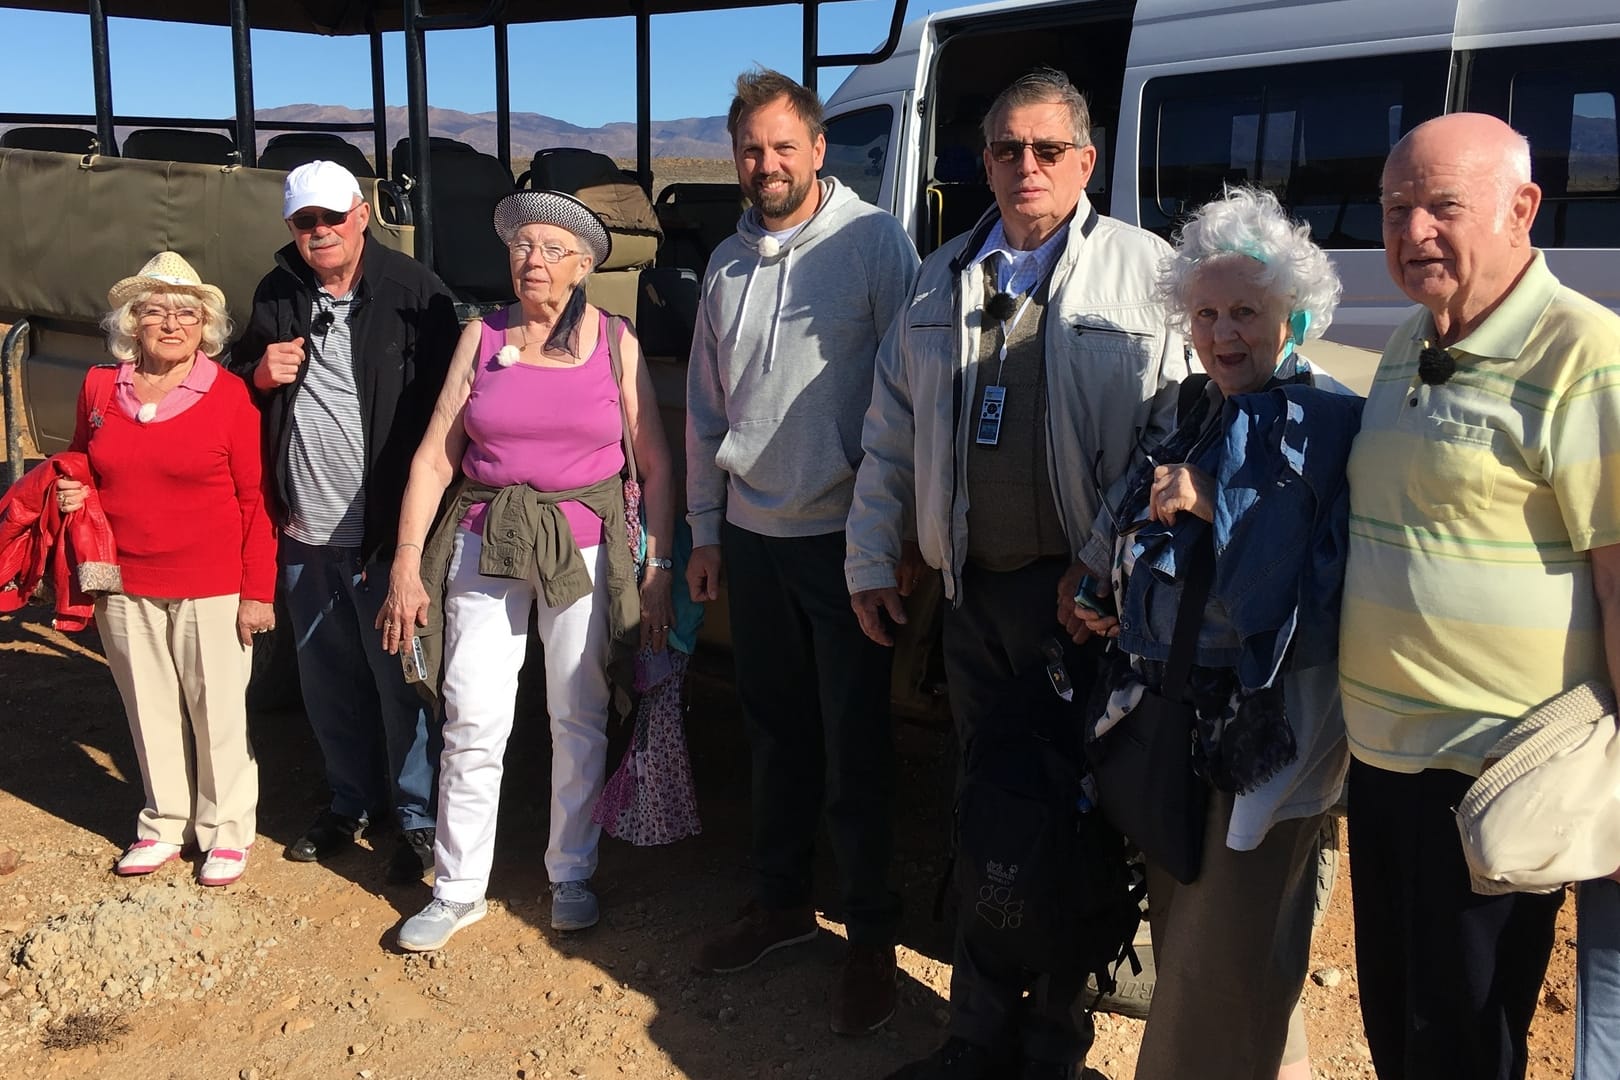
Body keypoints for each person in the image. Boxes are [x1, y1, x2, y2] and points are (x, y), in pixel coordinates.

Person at [846, 68, 1188, 1079]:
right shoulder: (939, 277)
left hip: (1087, 606)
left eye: (1048, 149)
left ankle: (1055, 1043)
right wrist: (873, 554)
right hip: (975, 601)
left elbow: (1172, 442)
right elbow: (890, 433)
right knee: (985, 808)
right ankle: (974, 1032)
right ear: (983, 160)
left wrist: (1107, 567)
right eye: (1006, 148)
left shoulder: (1149, 274)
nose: (1025, 166)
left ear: (1086, 160)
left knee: (1076, 822)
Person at [1340, 112, 1620, 1080]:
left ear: (1522, 208)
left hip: (1493, 776)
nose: (1413, 233)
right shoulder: (1408, 345)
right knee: (1395, 1024)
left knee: (1469, 1042)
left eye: (1441, 207)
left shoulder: (1588, 354)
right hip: (1380, 766)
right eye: (1394, 209)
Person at [1075, 187, 1356, 1080]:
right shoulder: (1189, 406)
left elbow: (1262, 596)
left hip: (1263, 741)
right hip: (1174, 721)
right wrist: (1103, 586)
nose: (1224, 331)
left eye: (1248, 311)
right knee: (1214, 944)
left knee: (1212, 965)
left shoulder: (1316, 419)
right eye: (1206, 312)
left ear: (1295, 314)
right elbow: (1131, 525)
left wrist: (1210, 500)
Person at [683, 67, 919, 1035]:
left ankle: (869, 939)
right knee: (775, 733)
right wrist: (703, 533)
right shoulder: (726, 268)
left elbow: (911, 393)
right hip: (752, 538)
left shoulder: (872, 244)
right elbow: (704, 411)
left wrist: (893, 532)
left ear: (820, 149)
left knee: (856, 743)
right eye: (751, 148)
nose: (766, 163)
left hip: (842, 542)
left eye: (784, 146)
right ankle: (782, 904)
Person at [376, 189, 674, 949]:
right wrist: (408, 563)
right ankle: (457, 887)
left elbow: (657, 465)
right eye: (521, 247)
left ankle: (570, 871)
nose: (530, 260)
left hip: (582, 549)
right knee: (472, 711)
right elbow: (436, 454)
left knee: (577, 709)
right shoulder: (481, 338)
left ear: (582, 266)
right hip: (486, 538)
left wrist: (659, 565)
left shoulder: (615, 341)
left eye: (549, 249)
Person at [229, 160, 459, 882]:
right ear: (292, 229)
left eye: (332, 217)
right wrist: (260, 374)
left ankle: (418, 818)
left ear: (363, 214)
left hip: (386, 535)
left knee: (404, 683)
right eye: (306, 222)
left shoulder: (416, 293)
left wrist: (418, 542)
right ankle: (351, 803)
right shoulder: (279, 291)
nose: (320, 232)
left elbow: (451, 416)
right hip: (306, 531)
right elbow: (238, 382)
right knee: (327, 680)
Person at [56, 251, 276, 887]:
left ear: (205, 326)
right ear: (133, 321)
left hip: (212, 584)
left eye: (187, 313)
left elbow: (254, 499)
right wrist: (76, 488)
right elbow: (80, 458)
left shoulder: (229, 394)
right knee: (147, 710)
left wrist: (256, 592)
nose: (172, 324)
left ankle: (226, 832)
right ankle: (162, 824)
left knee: (218, 715)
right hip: (123, 580)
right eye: (156, 311)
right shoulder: (101, 386)